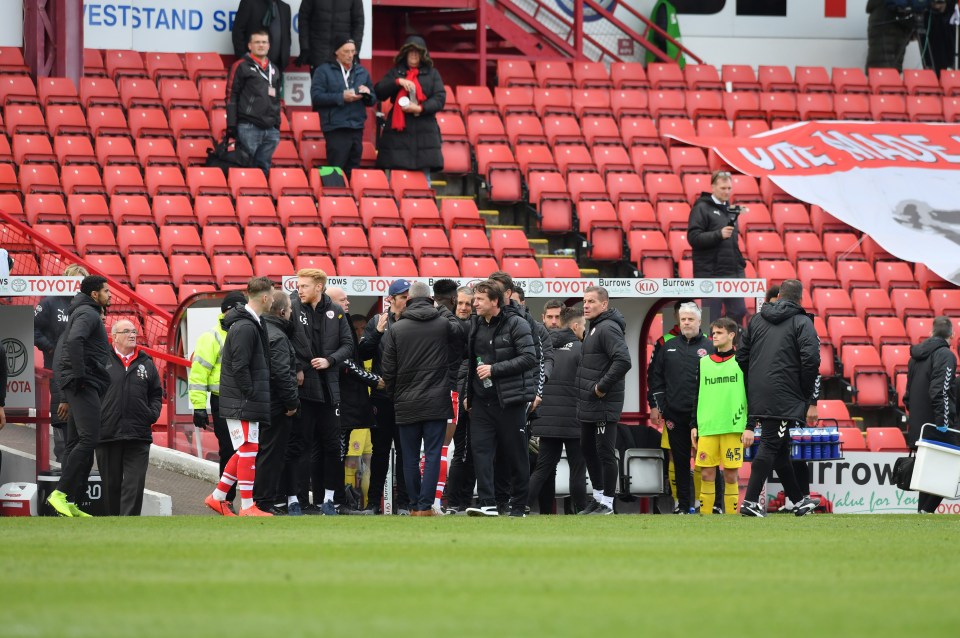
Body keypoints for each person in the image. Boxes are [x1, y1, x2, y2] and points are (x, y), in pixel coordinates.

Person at [738, 279, 821, 518]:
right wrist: (803, 391)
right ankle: (750, 502)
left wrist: (755, 381)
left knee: (781, 450)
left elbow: (741, 357)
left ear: (779, 295)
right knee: (771, 445)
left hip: (759, 391)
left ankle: (799, 501)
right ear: (800, 299)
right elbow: (812, 359)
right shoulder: (802, 321)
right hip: (784, 395)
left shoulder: (756, 320)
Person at [381, 281, 464, 516]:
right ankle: (426, 506)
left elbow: (388, 369)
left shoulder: (396, 328)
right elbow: (460, 335)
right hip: (437, 401)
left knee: (408, 457)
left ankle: (415, 505)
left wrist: (395, 396)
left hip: (405, 402)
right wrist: (443, 309)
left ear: (408, 300)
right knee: (433, 454)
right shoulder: (442, 323)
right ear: (430, 300)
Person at [464, 280, 537, 517]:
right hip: (481, 402)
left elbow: (529, 358)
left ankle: (518, 506)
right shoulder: (474, 324)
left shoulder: (517, 323)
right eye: (474, 299)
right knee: (481, 452)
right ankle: (488, 503)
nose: (474, 303)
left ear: (495, 301)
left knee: (516, 455)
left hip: (510, 401)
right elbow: (468, 362)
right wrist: (467, 393)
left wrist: (494, 369)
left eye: (479, 299)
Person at [205, 277, 275, 517]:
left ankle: (217, 497)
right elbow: (239, 365)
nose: (274, 300)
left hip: (242, 399)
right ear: (265, 297)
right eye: (272, 296)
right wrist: (250, 392)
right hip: (242, 400)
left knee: (246, 449)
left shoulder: (250, 323)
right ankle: (247, 506)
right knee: (248, 449)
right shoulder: (245, 326)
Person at [288, 269, 354, 515]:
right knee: (300, 446)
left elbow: (348, 345)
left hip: (329, 389)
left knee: (331, 446)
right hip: (304, 389)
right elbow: (283, 343)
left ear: (319, 287)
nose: (299, 289)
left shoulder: (335, 311)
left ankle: (329, 500)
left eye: (304, 285)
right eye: (298, 285)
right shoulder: (292, 308)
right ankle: (295, 499)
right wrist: (296, 368)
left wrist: (330, 360)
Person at [47, 275, 112, 518]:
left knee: (75, 442)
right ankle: (60, 494)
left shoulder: (85, 311)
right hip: (83, 383)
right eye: (106, 291)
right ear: (95, 294)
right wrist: (82, 375)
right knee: (89, 439)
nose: (110, 295)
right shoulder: (89, 313)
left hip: (81, 382)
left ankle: (71, 499)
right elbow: (74, 342)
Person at [648, 302, 713, 514]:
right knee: (681, 463)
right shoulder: (668, 346)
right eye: (683, 319)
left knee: (708, 462)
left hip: (704, 416)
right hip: (675, 415)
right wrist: (662, 406)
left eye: (690, 319)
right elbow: (656, 378)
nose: (686, 322)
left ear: (699, 321)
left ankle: (712, 506)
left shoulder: (710, 348)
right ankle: (683, 506)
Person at [95, 319, 162, 516]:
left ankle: (129, 525)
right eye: (127, 331)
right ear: (114, 337)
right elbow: (90, 391)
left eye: (134, 331)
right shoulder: (100, 360)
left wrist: (151, 414)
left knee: (134, 485)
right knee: (111, 486)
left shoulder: (146, 363)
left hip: (138, 434)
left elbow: (156, 394)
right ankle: (113, 526)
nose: (132, 335)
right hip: (107, 433)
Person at [358, 279, 413, 514]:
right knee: (379, 453)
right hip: (382, 397)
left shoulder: (415, 321)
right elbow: (363, 352)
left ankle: (404, 504)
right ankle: (372, 504)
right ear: (390, 299)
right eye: (402, 296)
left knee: (406, 453)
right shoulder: (377, 321)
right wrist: (377, 332)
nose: (407, 300)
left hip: (407, 397)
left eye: (409, 296)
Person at [190, 291, 247, 512]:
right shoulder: (211, 337)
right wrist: (198, 406)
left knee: (247, 451)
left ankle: (247, 500)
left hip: (245, 401)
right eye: (236, 309)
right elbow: (198, 375)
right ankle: (226, 499)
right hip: (222, 401)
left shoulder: (248, 332)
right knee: (229, 451)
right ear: (225, 311)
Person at [577, 286, 632, 515]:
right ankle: (598, 497)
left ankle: (608, 502)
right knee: (588, 449)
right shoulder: (595, 327)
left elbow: (623, 361)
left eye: (591, 301)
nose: (586, 305)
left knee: (605, 452)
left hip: (603, 402)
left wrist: (601, 387)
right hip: (589, 403)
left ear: (604, 304)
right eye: (584, 301)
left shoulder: (607, 328)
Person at [327, 286, 381, 512]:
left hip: (355, 404)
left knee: (348, 453)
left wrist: (376, 333)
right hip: (340, 401)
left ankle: (341, 499)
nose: (348, 302)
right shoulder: (332, 324)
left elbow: (356, 356)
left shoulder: (343, 321)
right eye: (343, 299)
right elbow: (345, 361)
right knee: (337, 452)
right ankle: (334, 500)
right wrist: (373, 379)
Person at [528, 306, 587, 514]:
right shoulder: (581, 349)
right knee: (577, 468)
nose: (584, 331)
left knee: (542, 468)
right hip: (573, 419)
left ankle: (522, 506)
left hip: (546, 419)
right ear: (575, 325)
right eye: (583, 327)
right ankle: (581, 510)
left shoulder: (543, 347)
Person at [690, 317, 746, 516]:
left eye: (719, 333)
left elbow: (751, 393)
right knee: (706, 473)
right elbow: (696, 394)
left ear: (731, 335)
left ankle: (731, 518)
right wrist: (694, 424)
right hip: (708, 426)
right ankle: (706, 518)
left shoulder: (742, 361)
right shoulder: (704, 362)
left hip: (733, 426)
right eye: (713, 333)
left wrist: (750, 425)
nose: (714, 336)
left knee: (731, 474)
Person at [904, 316, 958, 513]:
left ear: (931, 333)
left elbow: (907, 396)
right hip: (936, 423)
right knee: (945, 469)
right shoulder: (946, 355)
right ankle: (926, 511)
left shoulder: (915, 357)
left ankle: (923, 512)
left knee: (928, 473)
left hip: (919, 424)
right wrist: (943, 422)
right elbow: (940, 391)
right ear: (952, 335)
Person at [35, 263, 88, 462]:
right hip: (55, 368)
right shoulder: (49, 302)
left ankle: (77, 460)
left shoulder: (86, 305)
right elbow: (33, 329)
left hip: (82, 369)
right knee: (61, 410)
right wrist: (50, 347)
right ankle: (62, 457)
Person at [253, 290, 300, 515]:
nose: (291, 314)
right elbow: (281, 373)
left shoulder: (262, 330)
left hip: (262, 401)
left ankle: (260, 500)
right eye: (290, 310)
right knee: (271, 455)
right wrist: (292, 403)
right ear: (282, 312)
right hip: (276, 405)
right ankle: (264, 502)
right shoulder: (279, 336)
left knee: (262, 453)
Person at [374, 36, 446, 181]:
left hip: (424, 133)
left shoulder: (433, 74)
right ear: (404, 54)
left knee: (423, 181)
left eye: (417, 52)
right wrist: (397, 82)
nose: (413, 55)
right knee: (395, 179)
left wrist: (420, 108)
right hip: (397, 135)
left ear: (423, 55)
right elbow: (379, 91)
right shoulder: (396, 73)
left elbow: (440, 98)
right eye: (410, 52)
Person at [687, 170, 747, 326]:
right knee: (710, 319)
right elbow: (693, 238)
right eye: (723, 188)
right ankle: (709, 349)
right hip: (711, 273)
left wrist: (740, 265)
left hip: (732, 273)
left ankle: (733, 349)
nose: (727, 192)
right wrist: (718, 234)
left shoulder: (730, 210)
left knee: (739, 312)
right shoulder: (701, 208)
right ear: (713, 187)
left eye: (729, 188)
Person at [310, 38, 375, 179]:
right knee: (336, 168)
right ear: (336, 52)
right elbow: (316, 97)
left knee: (354, 168)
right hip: (335, 126)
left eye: (353, 51)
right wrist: (341, 97)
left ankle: (350, 199)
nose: (350, 55)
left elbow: (373, 100)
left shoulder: (361, 71)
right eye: (346, 51)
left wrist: (367, 94)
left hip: (357, 125)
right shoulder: (323, 70)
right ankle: (333, 198)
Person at [226, 29, 282, 176]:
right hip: (249, 126)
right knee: (246, 167)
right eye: (257, 42)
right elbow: (231, 96)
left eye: (264, 42)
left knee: (264, 168)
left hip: (270, 129)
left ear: (269, 45)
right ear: (250, 45)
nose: (261, 45)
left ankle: (260, 198)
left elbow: (277, 98)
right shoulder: (241, 66)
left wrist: (277, 123)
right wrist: (231, 124)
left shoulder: (274, 69)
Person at [432, 278, 463, 512]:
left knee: (423, 448)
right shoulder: (451, 323)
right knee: (442, 447)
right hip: (447, 390)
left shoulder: (418, 319)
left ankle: (421, 501)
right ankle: (434, 501)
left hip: (420, 391)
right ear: (453, 299)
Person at [444, 286, 476, 512]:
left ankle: (464, 501)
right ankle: (455, 501)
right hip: (458, 397)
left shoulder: (477, 327)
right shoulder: (448, 327)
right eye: (461, 303)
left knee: (473, 451)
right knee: (461, 451)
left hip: (476, 397)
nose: (464, 308)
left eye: (468, 304)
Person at [297, 0, 364, 74]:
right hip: (318, 53)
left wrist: (355, 50)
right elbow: (303, 19)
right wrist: (305, 48)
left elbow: (358, 23)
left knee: (342, 85)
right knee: (318, 85)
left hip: (343, 54)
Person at [232, 0, 292, 76]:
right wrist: (244, 59)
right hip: (252, 67)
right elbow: (238, 32)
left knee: (273, 88)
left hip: (276, 68)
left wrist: (285, 57)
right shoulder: (249, 3)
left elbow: (287, 36)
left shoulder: (285, 8)